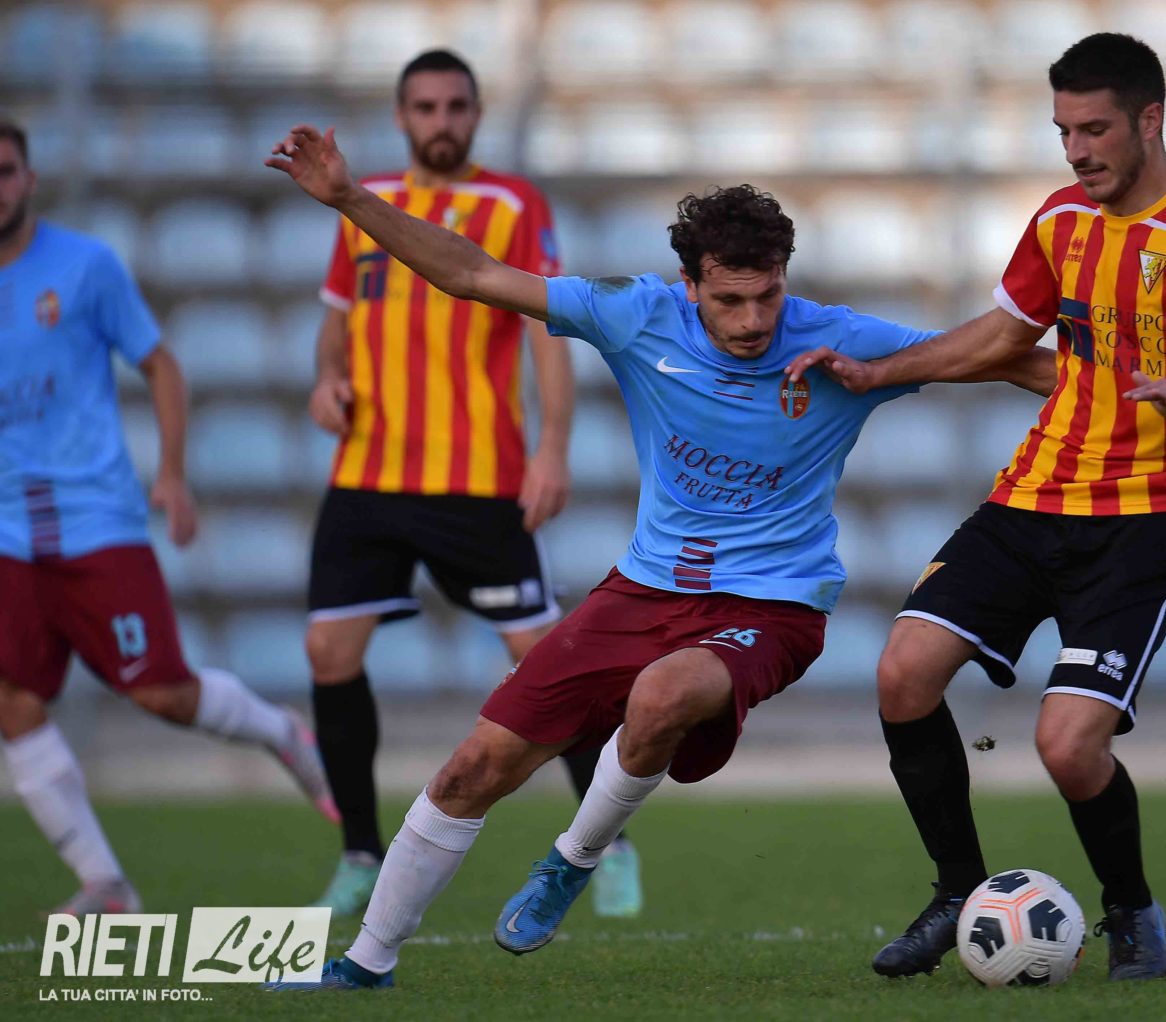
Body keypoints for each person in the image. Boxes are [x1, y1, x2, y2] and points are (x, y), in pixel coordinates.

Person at [263, 115, 959, 988]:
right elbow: (472, 273)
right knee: (473, 767)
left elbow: (999, 356)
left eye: (769, 296)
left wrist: (1117, 394)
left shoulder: (841, 340)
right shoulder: (637, 314)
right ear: (688, 284)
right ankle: (366, 964)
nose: (753, 321)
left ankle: (574, 858)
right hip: (641, 592)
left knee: (663, 693)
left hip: (772, 606)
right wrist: (349, 198)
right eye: (729, 300)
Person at [787, 33, 1166, 981]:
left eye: (1094, 129)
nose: (1076, 150)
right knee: (902, 674)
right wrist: (878, 372)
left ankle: (1131, 910)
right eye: (1063, 130)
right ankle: (956, 893)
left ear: (1150, 120)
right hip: (1033, 496)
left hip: (1144, 519)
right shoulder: (1061, 217)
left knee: (1066, 747)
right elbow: (1001, 335)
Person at [302, 50, 639, 920]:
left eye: (455, 106)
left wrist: (552, 448)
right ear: (402, 115)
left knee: (546, 661)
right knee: (328, 653)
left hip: (478, 479)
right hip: (369, 474)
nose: (441, 121)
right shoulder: (359, 201)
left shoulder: (513, 204)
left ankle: (607, 844)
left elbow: (547, 332)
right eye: (425, 107)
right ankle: (360, 853)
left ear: (477, 114)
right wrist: (327, 381)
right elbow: (336, 324)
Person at [0, 119, 336, 915]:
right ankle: (106, 883)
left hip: (95, 520)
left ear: (29, 180)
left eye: (5, 170)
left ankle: (280, 732)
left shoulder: (85, 266)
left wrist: (174, 476)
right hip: (7, 532)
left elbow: (160, 363)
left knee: (160, 694)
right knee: (14, 699)